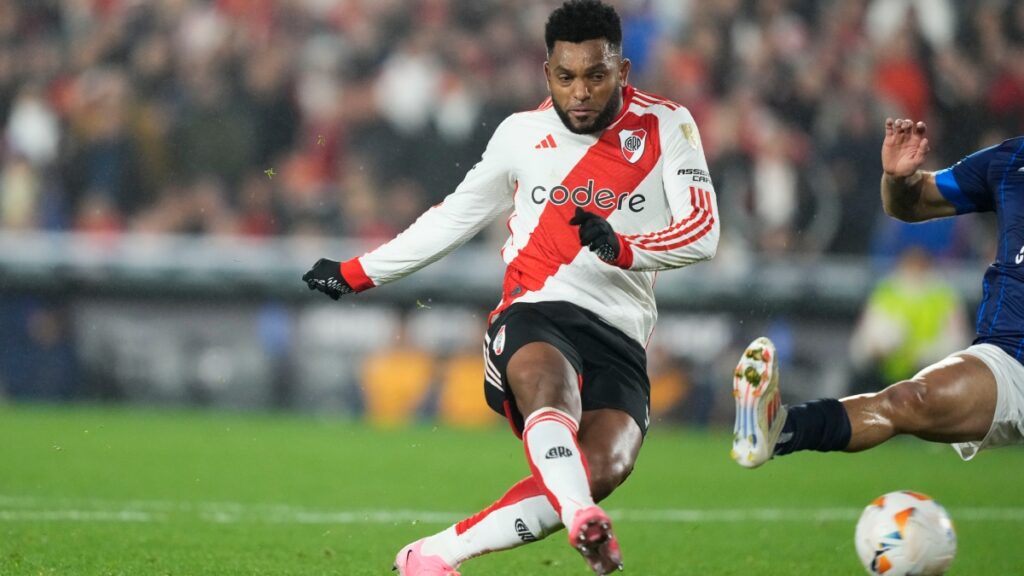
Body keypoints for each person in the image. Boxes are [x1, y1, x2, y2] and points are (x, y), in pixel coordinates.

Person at [302, 1, 720, 574]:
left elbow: (704, 233)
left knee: (603, 467)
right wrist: (355, 273)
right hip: (534, 309)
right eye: (566, 76)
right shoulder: (520, 135)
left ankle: (434, 555)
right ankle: (582, 522)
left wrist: (622, 247)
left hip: (621, 332)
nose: (580, 92)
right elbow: (452, 219)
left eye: (596, 76)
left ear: (621, 73)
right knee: (552, 394)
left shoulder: (668, 125)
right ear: (546, 72)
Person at [732, 118, 1024, 471]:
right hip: (1010, 362)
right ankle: (779, 429)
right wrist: (899, 180)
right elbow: (912, 204)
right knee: (908, 399)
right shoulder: (1010, 161)